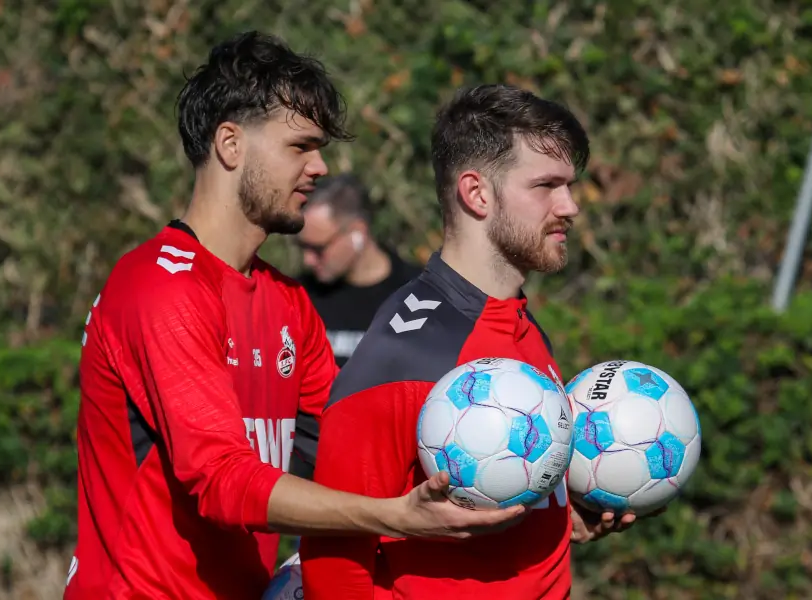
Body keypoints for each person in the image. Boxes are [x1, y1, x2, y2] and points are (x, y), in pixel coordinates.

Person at [64, 33, 527, 600]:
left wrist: (531, 500)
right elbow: (222, 484)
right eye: (300, 146)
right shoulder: (160, 287)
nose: (319, 166)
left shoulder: (287, 302)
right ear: (230, 145)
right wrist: (397, 517)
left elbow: (350, 449)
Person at [299, 84, 641, 599]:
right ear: (477, 193)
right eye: (546, 185)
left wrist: (556, 522)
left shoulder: (519, 321)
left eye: (569, 185)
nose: (569, 206)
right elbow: (334, 561)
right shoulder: (408, 350)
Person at [288, 174, 421, 481]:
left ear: (358, 233)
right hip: (316, 487)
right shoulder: (296, 298)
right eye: (302, 247)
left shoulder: (419, 294)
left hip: (400, 484)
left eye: (318, 248)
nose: (309, 260)